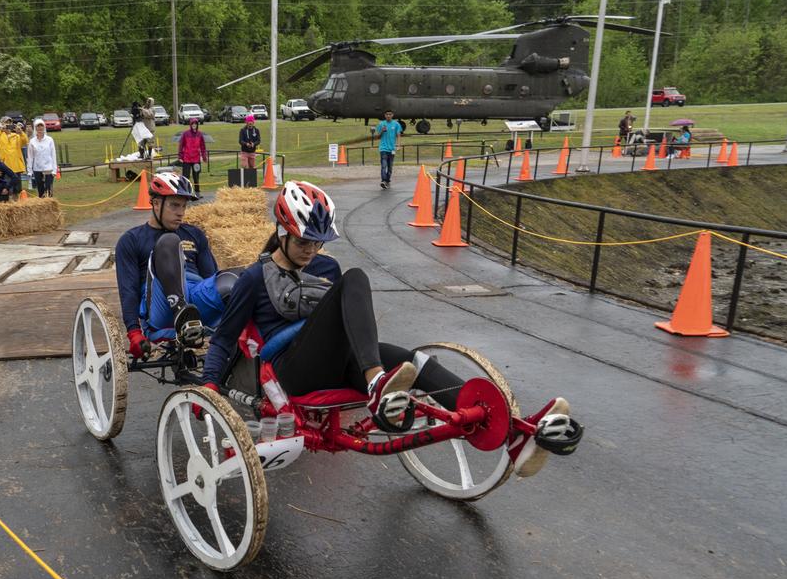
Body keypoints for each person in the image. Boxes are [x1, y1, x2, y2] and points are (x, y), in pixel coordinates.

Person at [200, 181, 569, 477]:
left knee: (416, 363)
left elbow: (347, 322)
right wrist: (210, 387)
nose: (311, 250)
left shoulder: (325, 269)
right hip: (292, 371)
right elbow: (224, 338)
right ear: (281, 232)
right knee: (356, 278)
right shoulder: (253, 278)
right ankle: (378, 382)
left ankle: (515, 434)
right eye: (302, 241)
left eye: (318, 242)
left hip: (338, 359)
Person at [115, 172, 236, 355]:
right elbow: (128, 290)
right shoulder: (131, 240)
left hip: (195, 298)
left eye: (184, 206)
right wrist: (134, 332)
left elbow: (211, 277)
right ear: (156, 203)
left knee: (234, 279)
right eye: (174, 205)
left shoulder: (195, 234)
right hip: (159, 303)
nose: (180, 212)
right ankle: (181, 314)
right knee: (169, 242)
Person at [0, 117, 28, 194]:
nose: (8, 125)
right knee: (7, 190)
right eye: (6, 123)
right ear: (2, 124)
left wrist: (21, 132)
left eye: (9, 123)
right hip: (5, 167)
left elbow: (25, 141)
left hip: (16, 166)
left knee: (17, 190)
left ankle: (17, 203)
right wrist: (0, 130)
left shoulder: (16, 136)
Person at [25, 118, 58, 198]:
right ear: (35, 128)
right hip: (37, 169)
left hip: (48, 169)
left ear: (44, 127)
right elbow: (30, 157)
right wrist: (29, 170)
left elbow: (53, 155)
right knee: (40, 190)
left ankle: (50, 207)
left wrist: (54, 170)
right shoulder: (32, 141)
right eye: (37, 126)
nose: (40, 128)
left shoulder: (49, 140)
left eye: (41, 126)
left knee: (48, 189)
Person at [371, 109, 404, 188]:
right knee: (383, 165)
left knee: (390, 167)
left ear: (392, 115)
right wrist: (382, 131)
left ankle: (387, 180)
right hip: (383, 149)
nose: (388, 116)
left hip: (392, 149)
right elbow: (378, 137)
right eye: (387, 114)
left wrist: (398, 145)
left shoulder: (396, 124)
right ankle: (383, 181)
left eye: (390, 114)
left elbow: (398, 135)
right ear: (384, 115)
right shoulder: (381, 124)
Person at [177, 118, 207, 195]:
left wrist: (204, 157)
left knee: (196, 177)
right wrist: (180, 157)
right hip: (186, 159)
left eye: (195, 124)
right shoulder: (185, 134)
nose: (194, 125)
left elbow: (203, 146)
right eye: (193, 124)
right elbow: (181, 145)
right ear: (190, 125)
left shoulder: (200, 134)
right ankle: (185, 193)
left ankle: (197, 193)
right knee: (186, 177)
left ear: (197, 125)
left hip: (196, 159)